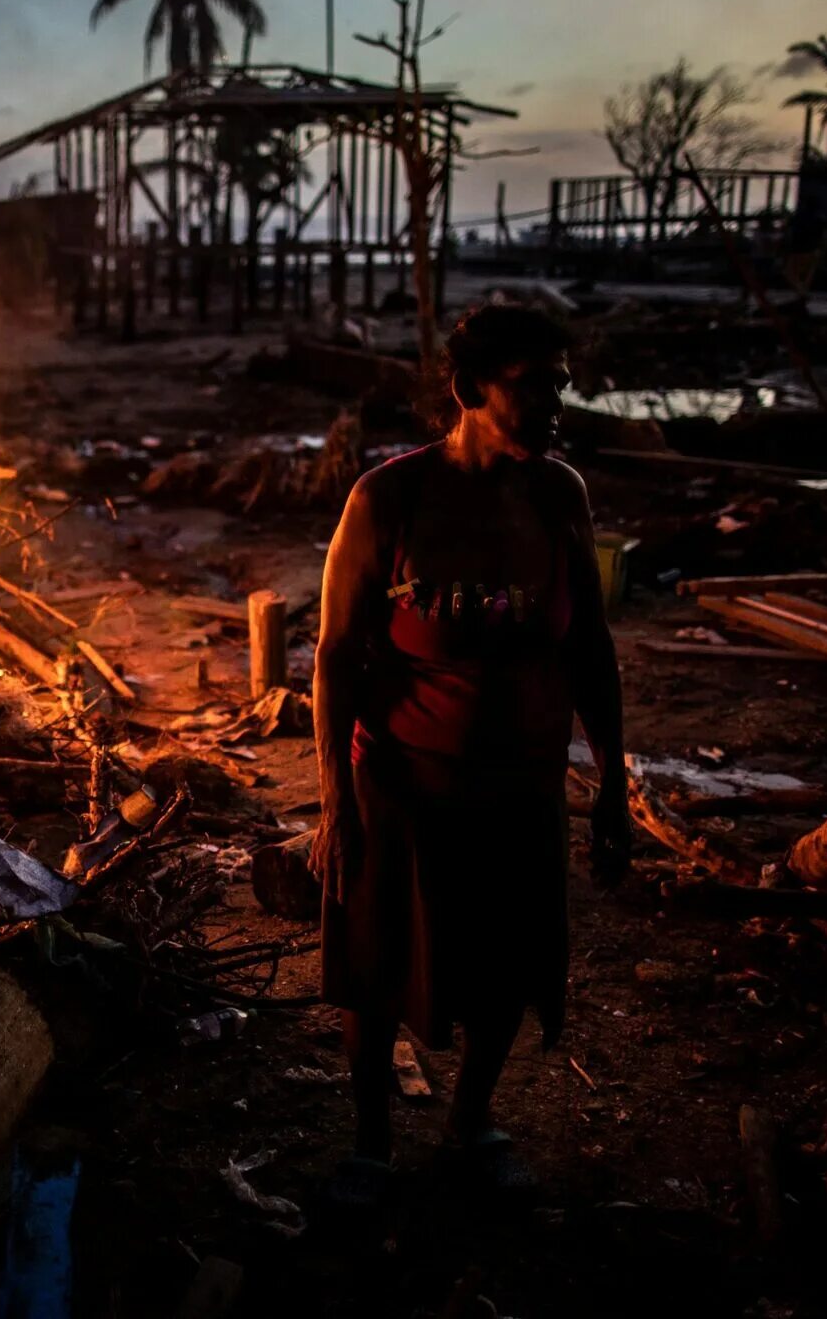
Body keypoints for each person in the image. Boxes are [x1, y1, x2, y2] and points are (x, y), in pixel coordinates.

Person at [308, 302, 630, 1190]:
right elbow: (334, 659)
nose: (555, 405)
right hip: (405, 781)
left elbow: (591, 647)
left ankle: (471, 1123)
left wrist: (611, 782)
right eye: (533, 387)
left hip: (523, 782)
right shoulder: (390, 498)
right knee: (378, 968)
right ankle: (372, 1143)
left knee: (512, 961)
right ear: (467, 390)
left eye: (560, 386)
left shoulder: (559, 495)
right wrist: (336, 804)